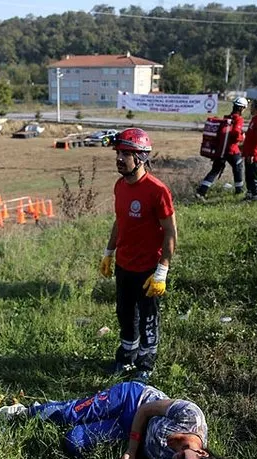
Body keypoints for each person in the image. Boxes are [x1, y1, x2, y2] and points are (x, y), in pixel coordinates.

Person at [0, 381, 238, 459]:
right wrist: (132, 450)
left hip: (126, 429)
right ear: (202, 452)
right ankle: (28, 411)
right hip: (133, 400)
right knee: (72, 413)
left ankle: (71, 414)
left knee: (74, 442)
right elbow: (146, 411)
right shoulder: (190, 416)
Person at [99, 128, 177, 382]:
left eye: (126, 154)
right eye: (119, 153)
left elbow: (170, 232)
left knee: (148, 317)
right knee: (124, 312)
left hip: (148, 269)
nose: (120, 158)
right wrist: (109, 253)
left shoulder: (157, 191)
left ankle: (146, 362)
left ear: (141, 158)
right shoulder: (120, 186)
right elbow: (119, 222)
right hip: (124, 264)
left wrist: (162, 270)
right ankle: (127, 356)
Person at [195, 97, 248, 200]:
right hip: (232, 150)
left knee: (215, 170)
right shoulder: (238, 119)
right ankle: (239, 190)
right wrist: (242, 137)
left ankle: (201, 191)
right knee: (238, 167)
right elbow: (235, 134)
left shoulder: (227, 118)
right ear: (241, 108)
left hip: (220, 150)